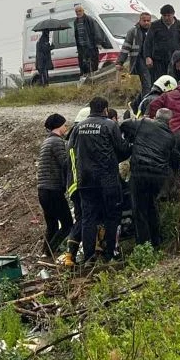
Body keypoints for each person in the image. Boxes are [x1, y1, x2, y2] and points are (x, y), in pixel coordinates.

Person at [68, 97, 131, 263]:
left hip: (85, 181)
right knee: (112, 215)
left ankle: (89, 257)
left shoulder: (78, 128)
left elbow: (71, 152)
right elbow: (122, 149)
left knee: (89, 218)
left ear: (90, 109)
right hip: (107, 180)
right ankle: (110, 254)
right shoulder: (109, 125)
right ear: (105, 109)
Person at [120, 108, 180, 248]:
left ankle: (144, 246)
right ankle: (156, 242)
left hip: (140, 172)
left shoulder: (144, 122)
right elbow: (173, 159)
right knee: (151, 206)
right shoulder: (171, 136)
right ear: (169, 121)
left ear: (155, 116)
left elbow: (123, 125)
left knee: (139, 210)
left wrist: (129, 139)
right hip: (158, 176)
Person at [37, 114, 72, 256]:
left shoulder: (46, 142)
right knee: (67, 224)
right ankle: (51, 251)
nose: (66, 128)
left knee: (52, 225)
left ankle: (45, 253)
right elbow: (65, 163)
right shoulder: (57, 142)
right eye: (64, 125)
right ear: (58, 126)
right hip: (53, 190)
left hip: (43, 190)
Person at [59, 106, 90, 267]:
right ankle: (71, 253)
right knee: (85, 219)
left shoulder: (71, 136)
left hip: (73, 185)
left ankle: (70, 254)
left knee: (81, 218)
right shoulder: (80, 137)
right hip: (80, 184)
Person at [144, 4, 180, 81]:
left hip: (174, 59)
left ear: (173, 14)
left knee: (173, 80)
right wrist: (148, 57)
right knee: (160, 81)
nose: (167, 18)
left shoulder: (179, 24)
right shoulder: (155, 25)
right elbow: (148, 42)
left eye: (169, 15)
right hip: (158, 60)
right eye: (164, 16)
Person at [117, 12, 153, 97]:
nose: (146, 22)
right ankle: (146, 101)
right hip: (139, 60)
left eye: (148, 20)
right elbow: (125, 48)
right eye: (144, 20)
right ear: (139, 20)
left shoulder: (153, 31)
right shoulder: (133, 31)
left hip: (153, 60)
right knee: (146, 83)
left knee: (153, 82)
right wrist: (120, 62)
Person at [73, 4, 102, 78]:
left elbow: (96, 31)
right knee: (83, 66)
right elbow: (77, 35)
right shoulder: (75, 22)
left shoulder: (89, 19)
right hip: (81, 48)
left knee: (92, 65)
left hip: (90, 46)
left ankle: (93, 80)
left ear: (83, 11)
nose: (78, 13)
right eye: (76, 11)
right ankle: (86, 81)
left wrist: (98, 43)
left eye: (79, 11)